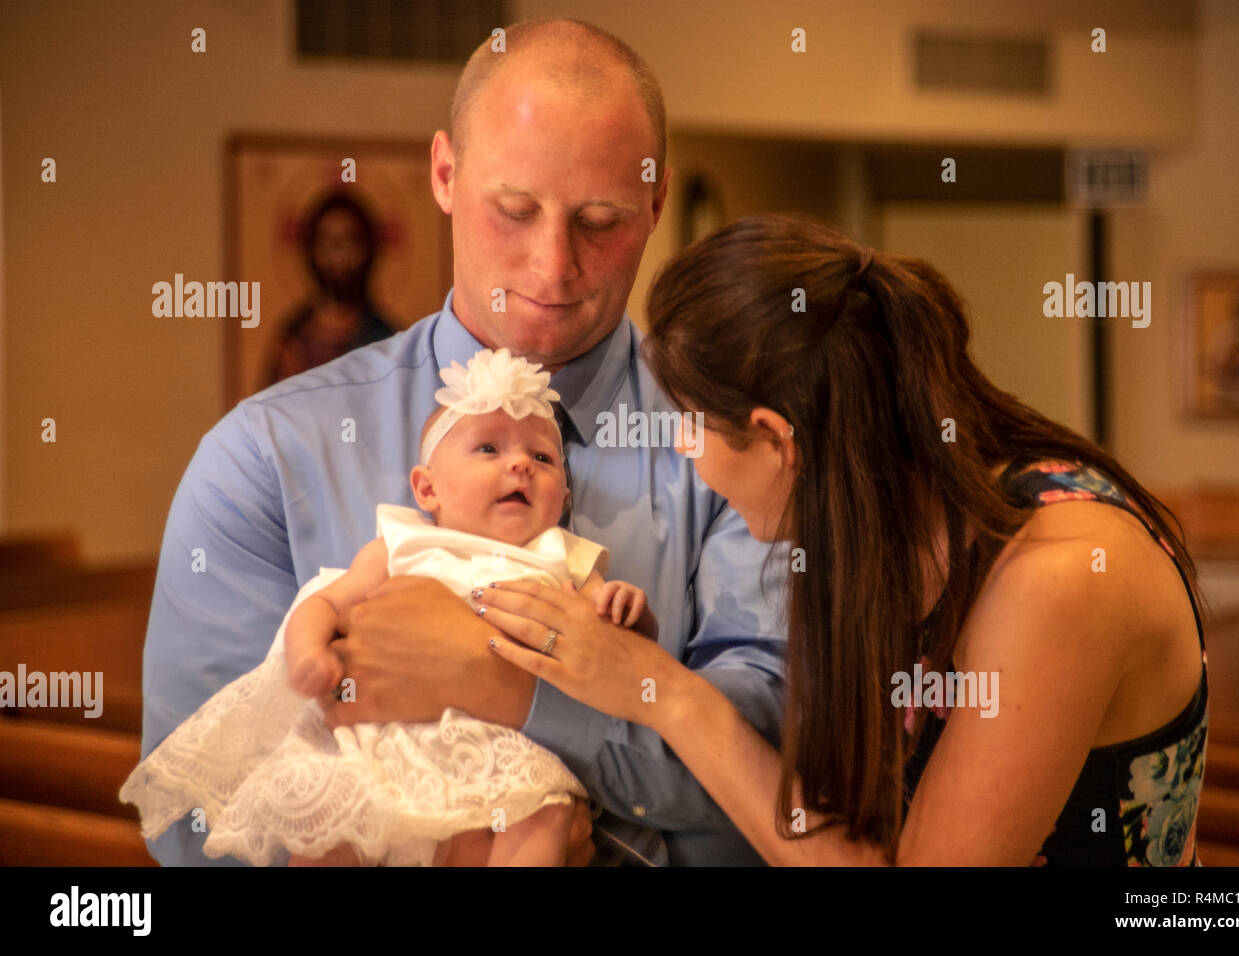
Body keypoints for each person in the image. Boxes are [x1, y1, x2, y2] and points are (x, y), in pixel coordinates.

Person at [140, 18, 787, 867]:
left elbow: (772, 773)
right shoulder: (263, 458)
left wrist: (510, 693)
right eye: (513, 210)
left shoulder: (747, 450)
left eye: (601, 221)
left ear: (658, 200)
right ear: (443, 174)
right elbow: (201, 828)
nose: (553, 267)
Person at [477, 213, 1209, 866]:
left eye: (691, 421)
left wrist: (666, 692)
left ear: (774, 438)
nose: (682, 449)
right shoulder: (861, 536)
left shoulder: (1058, 578)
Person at [125, 349, 653, 866]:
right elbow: (329, 601)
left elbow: (615, 645)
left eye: (542, 457)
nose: (520, 463)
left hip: (502, 751)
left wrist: (621, 605)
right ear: (427, 489)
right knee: (328, 828)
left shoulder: (563, 559)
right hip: (385, 741)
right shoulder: (402, 546)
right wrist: (308, 652)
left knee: (546, 817)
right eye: (489, 449)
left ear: (562, 496)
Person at [265, 191, 396, 387]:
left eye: (349, 241)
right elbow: (269, 411)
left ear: (368, 250)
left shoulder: (385, 340)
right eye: (327, 242)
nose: (337, 255)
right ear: (311, 251)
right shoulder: (293, 339)